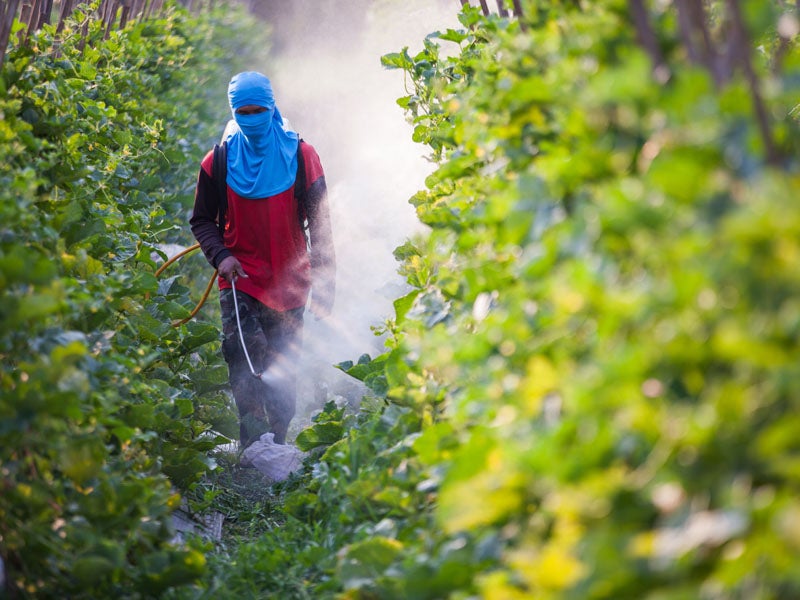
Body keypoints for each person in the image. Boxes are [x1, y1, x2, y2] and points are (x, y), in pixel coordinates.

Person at [190, 71, 335, 454]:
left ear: (272, 108)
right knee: (243, 355)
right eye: (243, 111)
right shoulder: (217, 162)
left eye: (258, 110)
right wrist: (221, 256)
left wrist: (325, 282)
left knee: (282, 365)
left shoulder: (303, 157)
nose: (251, 118)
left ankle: (278, 441)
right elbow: (202, 220)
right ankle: (252, 446)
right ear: (233, 112)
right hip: (239, 280)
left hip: (290, 283)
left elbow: (320, 224)